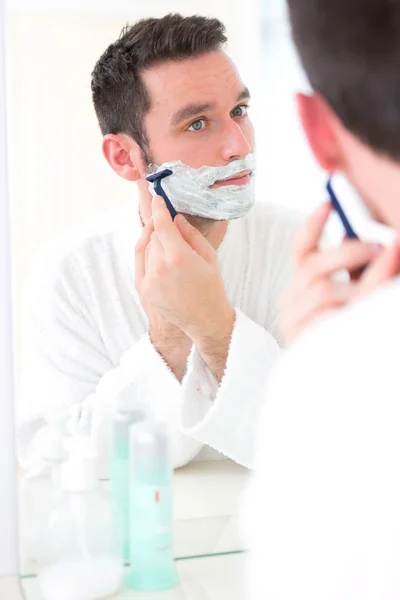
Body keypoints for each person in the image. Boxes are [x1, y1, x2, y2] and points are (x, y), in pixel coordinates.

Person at [17, 14, 302, 477]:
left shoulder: (300, 247)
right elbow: (54, 460)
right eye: (197, 124)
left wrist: (214, 328)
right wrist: (168, 340)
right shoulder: (68, 273)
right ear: (125, 157)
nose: (238, 145)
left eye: (239, 111)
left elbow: (323, 439)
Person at [246, 0, 400, 598]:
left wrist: (332, 367)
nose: (235, 144)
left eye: (240, 111)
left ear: (316, 130)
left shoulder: (340, 377)